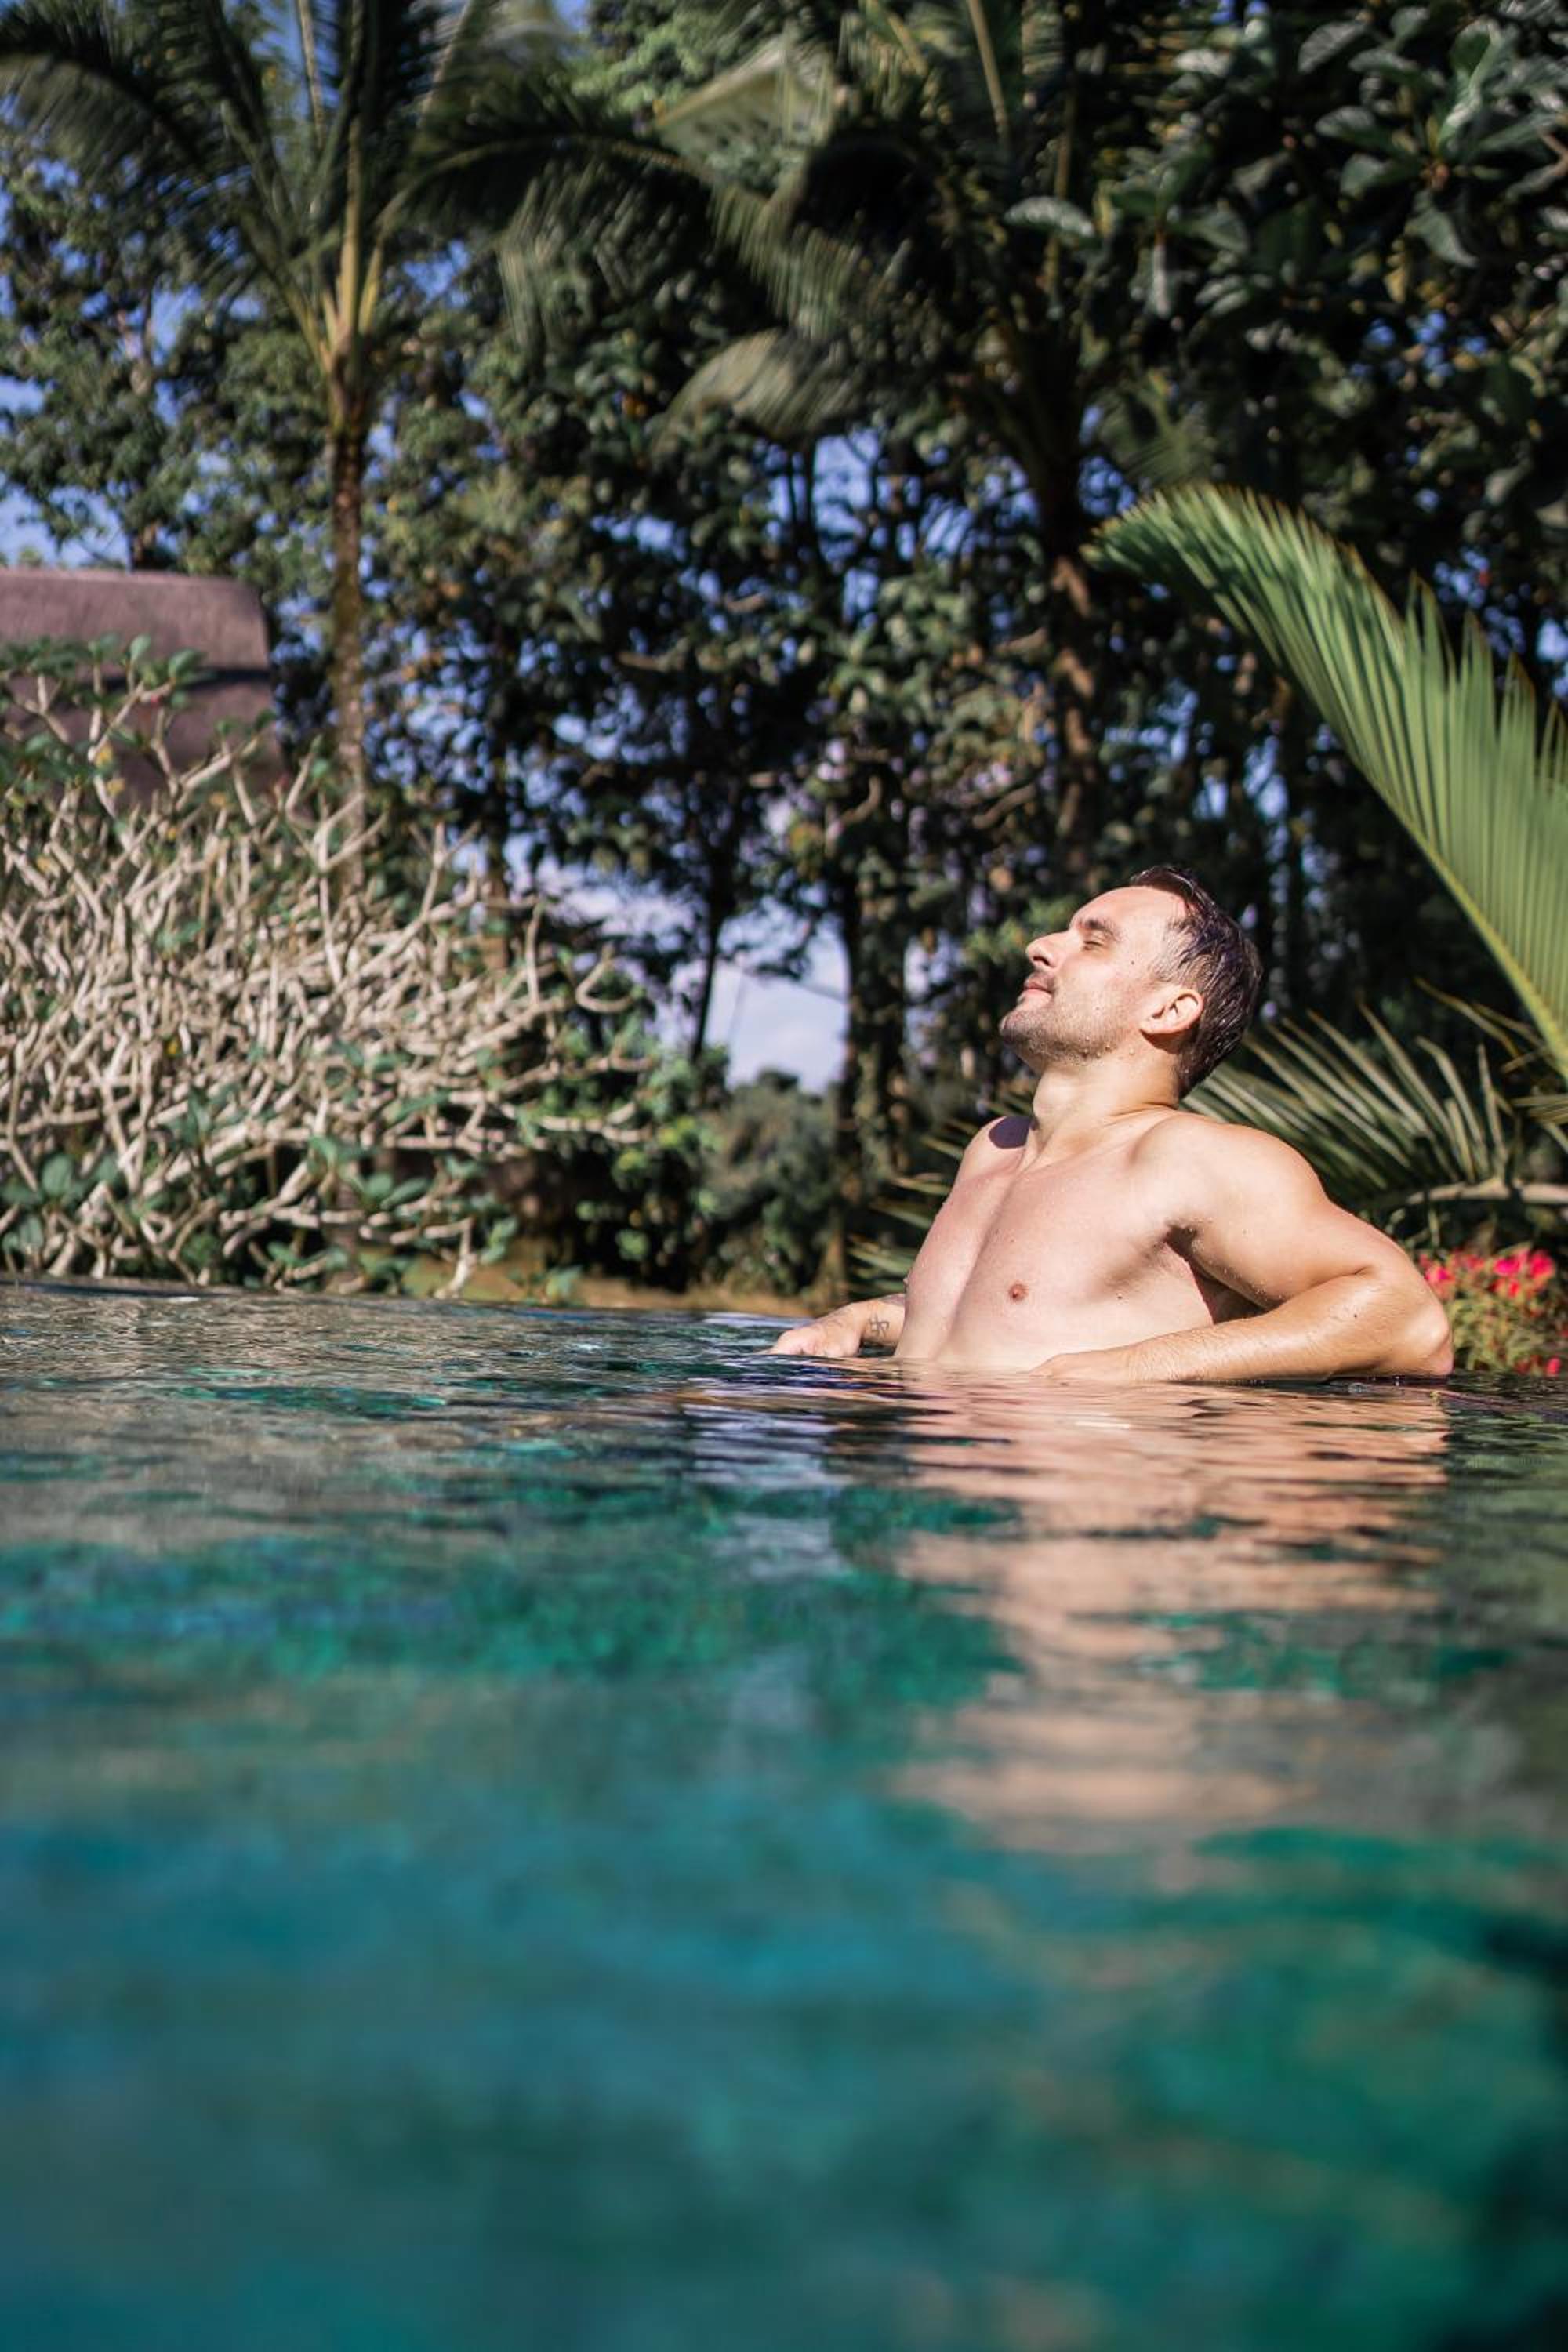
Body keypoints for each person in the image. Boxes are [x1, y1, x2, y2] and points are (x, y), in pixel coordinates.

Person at [772, 868, 1453, 1384]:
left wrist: (1130, 1369)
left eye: (1092, 942)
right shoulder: (995, 1148)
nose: (1040, 946)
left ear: (1169, 1010)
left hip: (1080, 1524)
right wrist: (858, 1320)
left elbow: (1407, 1317)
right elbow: (995, 1319)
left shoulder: (1185, 1158)